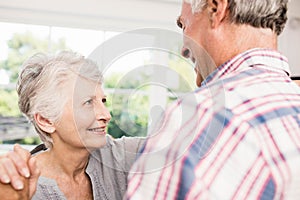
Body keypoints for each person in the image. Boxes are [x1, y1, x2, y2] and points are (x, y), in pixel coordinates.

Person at [125, 0, 300, 199]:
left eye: (184, 25)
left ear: (216, 9)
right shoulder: (291, 105)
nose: (183, 49)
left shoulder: (201, 117)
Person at [0, 51, 144, 199]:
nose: (106, 115)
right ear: (46, 120)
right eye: (88, 102)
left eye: (103, 101)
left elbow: (168, 141)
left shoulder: (119, 156)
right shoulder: (20, 187)